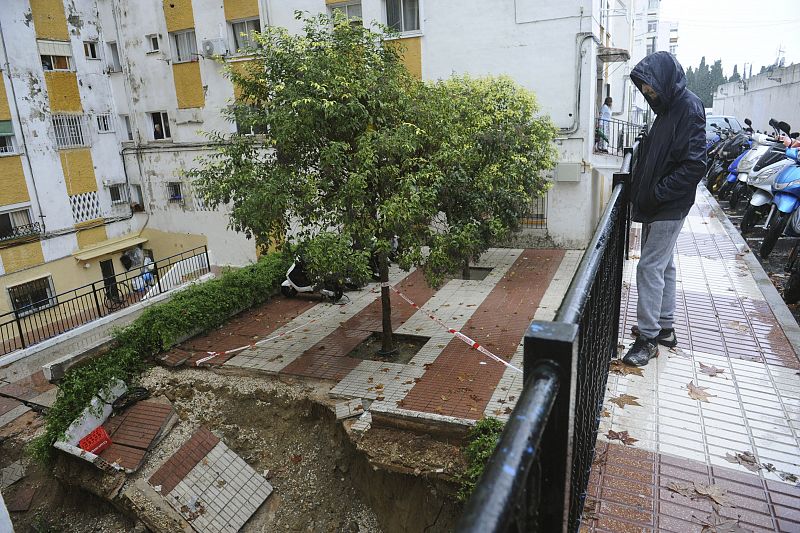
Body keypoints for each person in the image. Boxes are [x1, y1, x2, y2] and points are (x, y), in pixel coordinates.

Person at [623, 51, 706, 367]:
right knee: (664, 264)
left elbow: (694, 164)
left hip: (668, 205)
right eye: (644, 89)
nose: (647, 93)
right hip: (660, 204)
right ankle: (664, 329)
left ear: (664, 81)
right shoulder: (668, 108)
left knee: (649, 267)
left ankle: (647, 339)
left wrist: (657, 194)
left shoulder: (689, 109)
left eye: (650, 87)